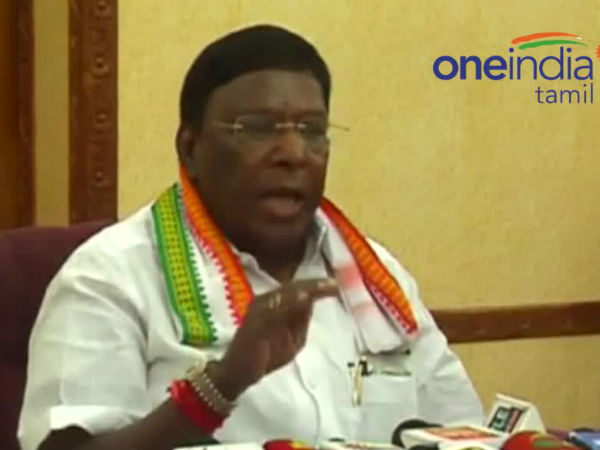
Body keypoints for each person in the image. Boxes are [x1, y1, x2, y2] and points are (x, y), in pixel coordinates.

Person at [18, 24, 484, 450]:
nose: (293, 153)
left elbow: (462, 431)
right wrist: (221, 385)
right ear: (190, 148)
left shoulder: (377, 281)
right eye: (257, 129)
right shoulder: (110, 276)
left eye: (312, 130)